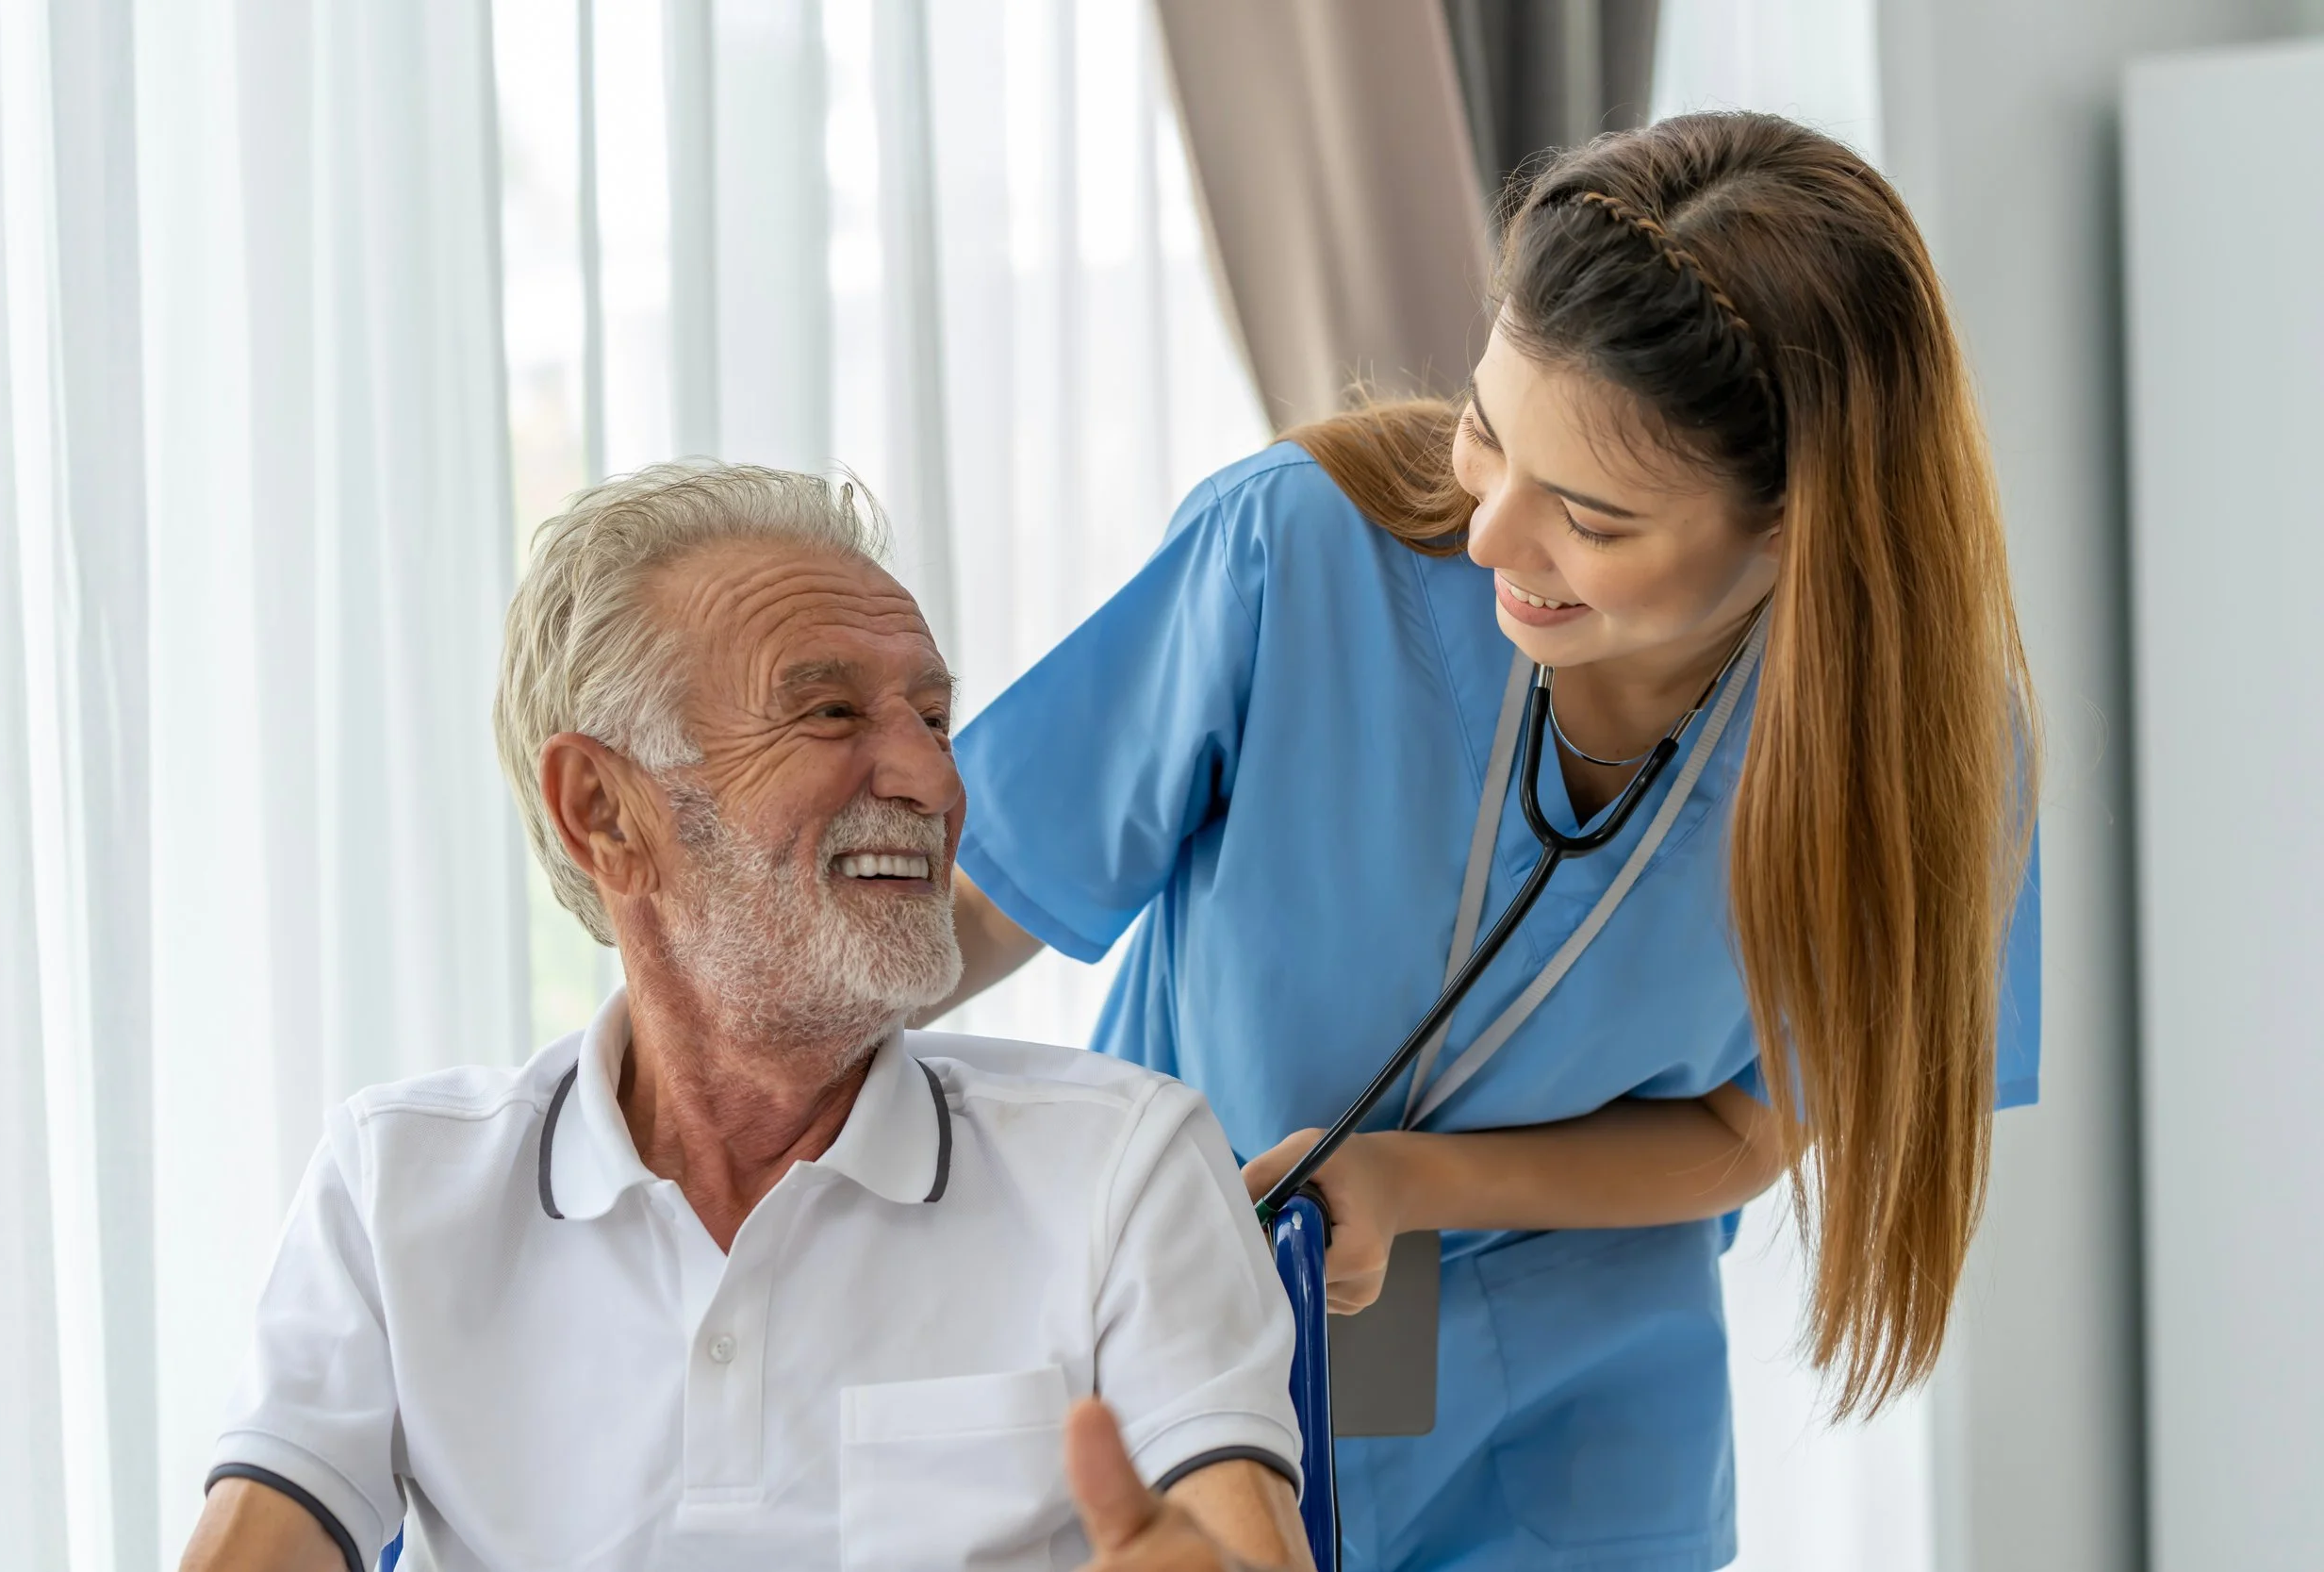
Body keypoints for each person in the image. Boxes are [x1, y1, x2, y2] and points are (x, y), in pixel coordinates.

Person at [931, 112, 2043, 1570]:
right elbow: (985, 892)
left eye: (1588, 513)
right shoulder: (1298, 553)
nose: (1490, 535)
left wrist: (1415, 1181)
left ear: (1797, 530)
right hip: (1196, 1358)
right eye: (1485, 425)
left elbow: (1746, 1128)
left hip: (1579, 1452)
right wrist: (718, 1027)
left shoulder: (1924, 754)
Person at [180, 463, 1314, 1572]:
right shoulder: (395, 1184)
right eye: (829, 712)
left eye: (932, 714)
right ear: (602, 810)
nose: (932, 776)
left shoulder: (1126, 1163)